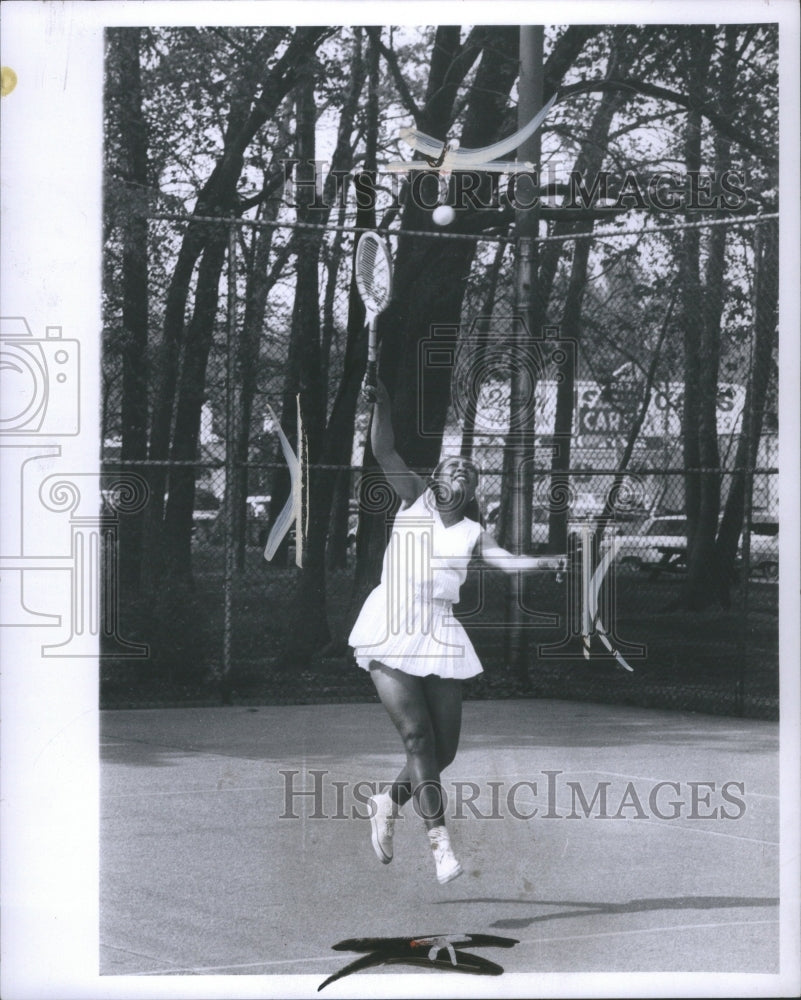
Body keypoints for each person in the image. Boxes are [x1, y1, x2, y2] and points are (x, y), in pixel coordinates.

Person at [349, 381, 564, 884]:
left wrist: (551, 560)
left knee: (442, 752)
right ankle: (440, 846)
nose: (459, 474)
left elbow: (509, 565)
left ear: (470, 490)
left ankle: (386, 801)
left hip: (440, 630)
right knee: (417, 736)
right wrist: (381, 399)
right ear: (436, 479)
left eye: (468, 473)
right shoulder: (413, 501)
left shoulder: (471, 532)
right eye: (451, 468)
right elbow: (383, 448)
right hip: (391, 624)